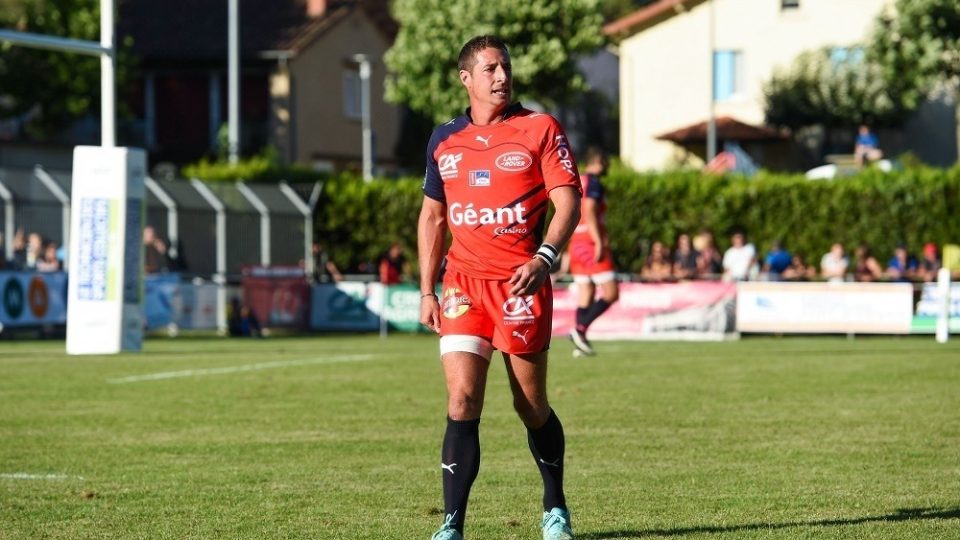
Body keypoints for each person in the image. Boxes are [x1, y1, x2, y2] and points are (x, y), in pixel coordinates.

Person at [417, 35, 581, 540]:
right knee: (462, 399)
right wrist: (426, 290)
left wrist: (544, 258)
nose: (502, 76)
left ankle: (555, 506)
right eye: (490, 69)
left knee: (530, 405)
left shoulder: (539, 128)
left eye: (505, 66)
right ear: (466, 78)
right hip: (463, 284)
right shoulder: (443, 139)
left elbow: (568, 200)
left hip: (520, 285)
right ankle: (451, 525)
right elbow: (432, 216)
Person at [566, 146, 619, 357]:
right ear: (599, 161)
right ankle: (579, 329)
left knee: (586, 292)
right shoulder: (595, 182)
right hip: (590, 242)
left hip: (575, 241)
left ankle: (581, 339)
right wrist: (598, 241)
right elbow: (588, 209)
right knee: (611, 293)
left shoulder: (577, 180)